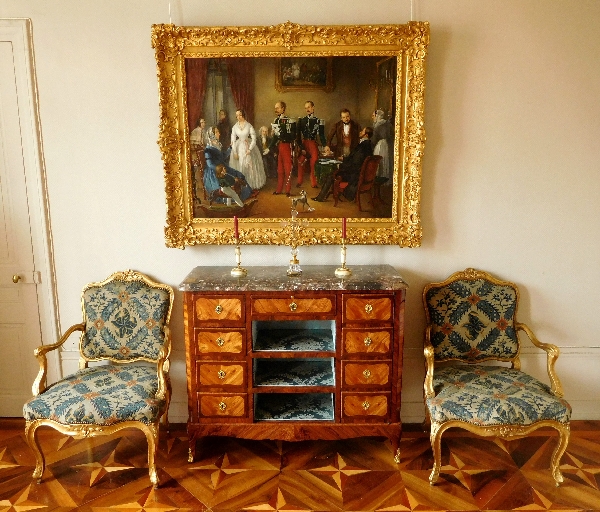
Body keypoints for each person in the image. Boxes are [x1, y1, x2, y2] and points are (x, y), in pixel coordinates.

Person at [312, 126, 373, 202]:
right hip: (358, 173)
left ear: (366, 135)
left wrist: (340, 165)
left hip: (355, 175)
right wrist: (344, 159)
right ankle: (326, 195)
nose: (360, 132)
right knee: (333, 172)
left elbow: (355, 165)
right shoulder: (367, 145)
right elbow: (355, 159)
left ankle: (321, 197)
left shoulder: (362, 147)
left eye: (362, 131)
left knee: (331, 175)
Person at [203, 126, 253, 204]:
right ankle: (233, 199)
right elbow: (209, 164)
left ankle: (244, 193)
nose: (219, 133)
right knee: (228, 182)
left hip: (223, 167)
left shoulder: (217, 145)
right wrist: (220, 169)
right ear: (212, 135)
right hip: (215, 172)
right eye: (216, 132)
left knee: (239, 174)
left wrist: (230, 148)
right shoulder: (208, 149)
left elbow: (223, 156)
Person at [229, 109, 266, 190]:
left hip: (248, 146)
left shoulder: (249, 125)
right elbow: (233, 140)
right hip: (238, 147)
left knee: (249, 166)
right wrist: (235, 152)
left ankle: (250, 185)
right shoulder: (235, 127)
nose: (238, 117)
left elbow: (254, 138)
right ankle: (241, 186)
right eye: (237, 115)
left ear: (243, 115)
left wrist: (250, 149)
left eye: (240, 115)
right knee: (240, 165)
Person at [267, 100, 297, 196]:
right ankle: (279, 189)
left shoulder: (290, 121)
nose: (275, 109)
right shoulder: (276, 121)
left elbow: (293, 136)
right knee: (280, 169)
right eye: (275, 108)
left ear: (283, 109)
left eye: (277, 108)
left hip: (288, 146)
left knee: (288, 169)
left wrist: (282, 133)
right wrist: (269, 147)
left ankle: (288, 190)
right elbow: (275, 137)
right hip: (280, 147)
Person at [296, 100, 325, 189]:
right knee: (301, 161)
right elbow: (298, 135)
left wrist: (325, 145)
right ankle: (299, 181)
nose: (307, 109)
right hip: (304, 143)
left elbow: (321, 135)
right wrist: (301, 147)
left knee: (314, 162)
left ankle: (313, 182)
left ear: (313, 108)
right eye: (306, 108)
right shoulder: (301, 120)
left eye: (309, 107)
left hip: (313, 143)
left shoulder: (319, 121)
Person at [371, 109, 393, 180]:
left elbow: (374, 139)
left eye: (373, 116)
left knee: (379, 161)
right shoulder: (388, 123)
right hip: (387, 145)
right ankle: (385, 178)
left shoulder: (377, 125)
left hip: (380, 145)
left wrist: (372, 145)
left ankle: (380, 178)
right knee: (385, 161)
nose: (372, 117)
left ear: (377, 116)